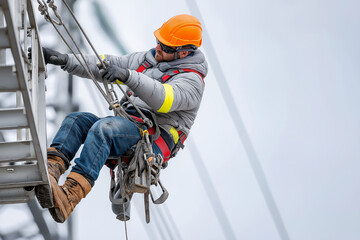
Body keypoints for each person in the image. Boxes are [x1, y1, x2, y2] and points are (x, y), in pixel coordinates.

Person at [36, 14, 208, 223]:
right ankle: (51, 171)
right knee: (76, 121)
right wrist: (65, 60)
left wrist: (128, 76)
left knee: (104, 129)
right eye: (159, 42)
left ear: (184, 52)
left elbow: (162, 99)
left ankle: (70, 196)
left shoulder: (192, 81)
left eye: (167, 47)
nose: (159, 48)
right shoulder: (149, 59)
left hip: (152, 138)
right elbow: (105, 64)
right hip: (129, 124)